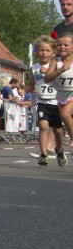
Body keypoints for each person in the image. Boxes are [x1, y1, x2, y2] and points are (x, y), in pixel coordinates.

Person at [30, 35, 65, 166]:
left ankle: (59, 149)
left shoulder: (57, 66)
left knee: (57, 130)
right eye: (41, 50)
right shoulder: (34, 68)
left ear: (53, 52)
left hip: (56, 102)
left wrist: (50, 73)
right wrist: (24, 90)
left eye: (47, 50)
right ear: (36, 52)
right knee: (43, 126)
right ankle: (43, 154)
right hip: (42, 102)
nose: (44, 53)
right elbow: (32, 84)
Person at [43, 31, 73, 165]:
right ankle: (60, 149)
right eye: (60, 45)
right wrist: (60, 70)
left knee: (65, 114)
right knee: (58, 128)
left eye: (66, 45)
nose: (62, 47)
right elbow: (47, 78)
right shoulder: (55, 61)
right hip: (61, 95)